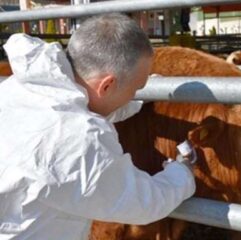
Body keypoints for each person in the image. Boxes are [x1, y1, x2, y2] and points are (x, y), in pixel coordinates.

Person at [0, 13, 196, 240]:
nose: (136, 94)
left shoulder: (20, 88)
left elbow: (85, 106)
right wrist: (182, 173)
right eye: (137, 88)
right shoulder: (79, 138)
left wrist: (137, 101)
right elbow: (142, 202)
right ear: (108, 85)